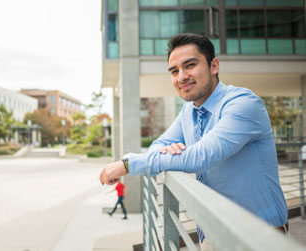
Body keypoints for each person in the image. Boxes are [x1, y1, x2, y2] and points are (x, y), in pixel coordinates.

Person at [99, 33, 288, 250]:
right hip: (212, 232)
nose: (181, 77)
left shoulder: (243, 103)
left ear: (214, 66)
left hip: (259, 237)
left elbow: (199, 158)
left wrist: (127, 164)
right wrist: (166, 150)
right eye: (174, 71)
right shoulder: (189, 111)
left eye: (190, 65)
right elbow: (157, 146)